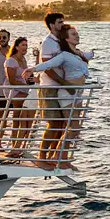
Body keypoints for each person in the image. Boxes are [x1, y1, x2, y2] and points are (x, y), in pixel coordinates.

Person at [24, 24, 92, 170]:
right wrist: (32, 69)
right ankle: (56, 156)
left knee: (75, 128)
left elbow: (89, 55)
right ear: (66, 38)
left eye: (77, 33)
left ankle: (62, 157)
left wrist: (93, 53)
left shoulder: (78, 54)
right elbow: (48, 64)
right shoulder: (64, 55)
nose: (77, 36)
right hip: (67, 93)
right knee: (72, 127)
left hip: (78, 94)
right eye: (73, 34)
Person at [37, 13, 67, 167]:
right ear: (51, 25)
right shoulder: (48, 43)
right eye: (59, 22)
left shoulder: (60, 41)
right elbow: (47, 67)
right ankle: (42, 156)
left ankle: (54, 155)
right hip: (49, 87)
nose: (62, 24)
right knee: (54, 123)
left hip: (60, 87)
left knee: (62, 123)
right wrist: (62, 81)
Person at [3, 37, 37, 159]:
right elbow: (12, 80)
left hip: (23, 89)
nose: (25, 48)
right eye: (23, 45)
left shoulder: (23, 60)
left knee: (18, 117)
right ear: (16, 46)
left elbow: (26, 76)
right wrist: (25, 85)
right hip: (13, 90)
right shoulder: (11, 61)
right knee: (26, 109)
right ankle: (17, 145)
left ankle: (18, 145)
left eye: (26, 46)